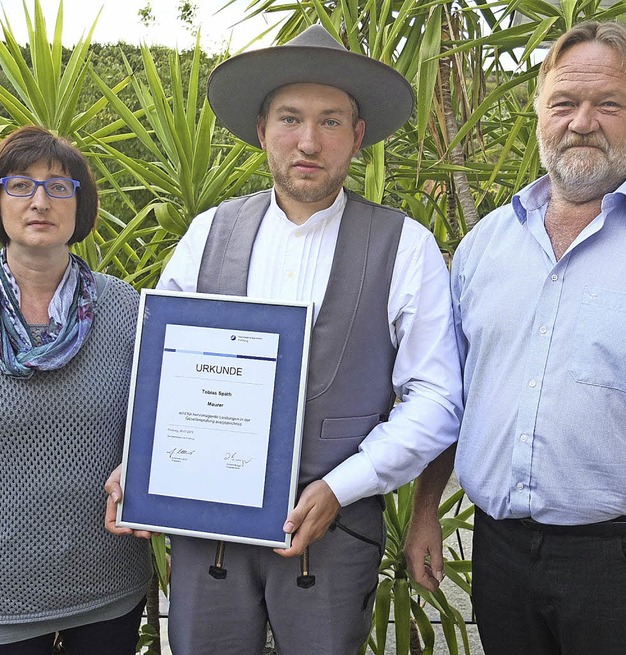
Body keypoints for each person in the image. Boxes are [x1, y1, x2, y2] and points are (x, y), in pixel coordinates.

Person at [105, 24, 462, 655]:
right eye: (290, 118)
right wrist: (142, 463)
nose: (307, 141)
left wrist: (341, 487)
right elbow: (160, 369)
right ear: (263, 130)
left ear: (357, 136)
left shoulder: (406, 247)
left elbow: (435, 398)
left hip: (333, 529)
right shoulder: (208, 232)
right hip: (204, 528)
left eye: (330, 122)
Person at [405, 19, 626, 655]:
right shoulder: (485, 246)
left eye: (609, 104)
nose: (583, 121)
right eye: (564, 102)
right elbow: (452, 392)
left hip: (619, 562)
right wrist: (426, 510)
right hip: (499, 552)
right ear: (539, 112)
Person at [0, 126, 152, 654]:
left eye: (60, 188)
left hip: (107, 581)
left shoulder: (125, 309)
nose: (40, 201)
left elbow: (161, 420)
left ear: (79, 207)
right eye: (20, 185)